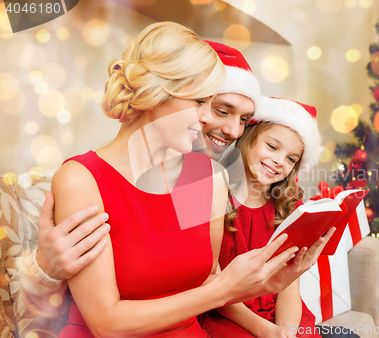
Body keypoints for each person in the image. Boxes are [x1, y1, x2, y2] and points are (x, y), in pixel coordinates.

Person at [42, 22, 334, 338]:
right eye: (200, 102)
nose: (211, 120)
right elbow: (106, 323)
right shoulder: (81, 179)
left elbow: (206, 278)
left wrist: (268, 282)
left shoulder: (205, 178)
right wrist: (223, 288)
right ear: (156, 92)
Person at [198, 96, 324, 338]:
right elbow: (214, 286)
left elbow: (289, 288)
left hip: (282, 316)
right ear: (249, 139)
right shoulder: (216, 196)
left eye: (290, 159)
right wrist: (265, 330)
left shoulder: (288, 208)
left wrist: (286, 332)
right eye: (273, 147)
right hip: (229, 313)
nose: (278, 161)